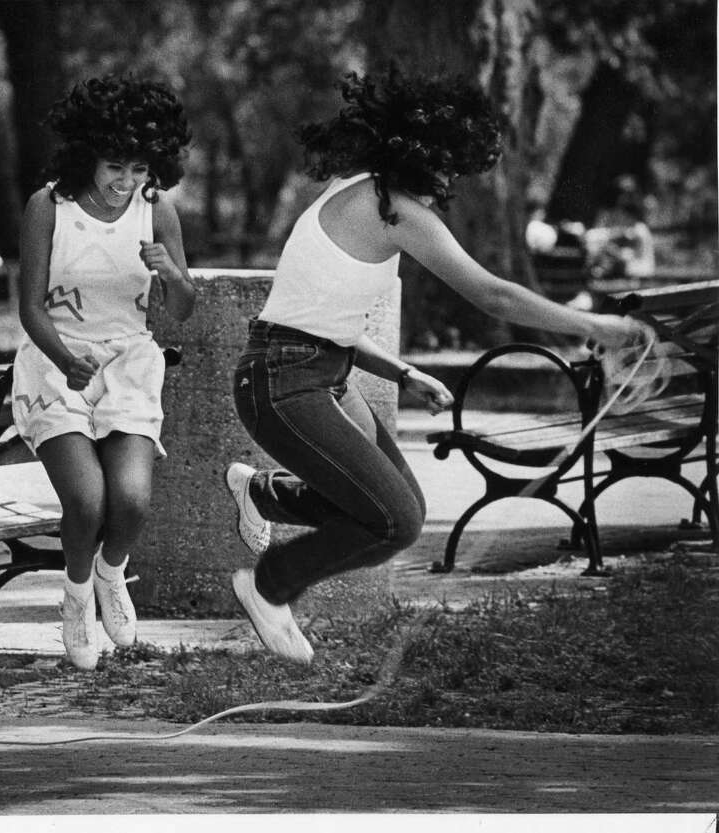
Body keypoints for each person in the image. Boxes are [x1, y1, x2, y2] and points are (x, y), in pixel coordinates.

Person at [224, 66, 654, 663]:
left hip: (319, 369)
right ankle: (268, 586)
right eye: (447, 164)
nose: (450, 178)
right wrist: (595, 325)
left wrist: (403, 373)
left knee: (403, 508)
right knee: (391, 524)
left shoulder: (360, 190)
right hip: (282, 382)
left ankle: (263, 494)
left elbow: (320, 317)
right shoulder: (391, 209)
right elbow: (493, 294)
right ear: (418, 154)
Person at [13, 76, 195, 669]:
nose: (125, 182)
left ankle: (110, 574)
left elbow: (183, 307)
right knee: (87, 501)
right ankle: (74, 596)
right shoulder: (48, 207)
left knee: (133, 500)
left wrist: (172, 273)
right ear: (88, 156)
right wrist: (66, 360)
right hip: (55, 359)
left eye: (138, 168)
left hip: (130, 361)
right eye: (114, 165)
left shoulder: (156, 209)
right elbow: (30, 307)